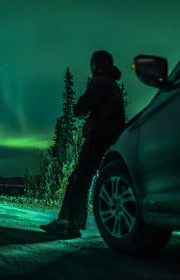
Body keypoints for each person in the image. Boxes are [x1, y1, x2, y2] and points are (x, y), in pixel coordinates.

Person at [40, 50, 125, 238]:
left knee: (78, 179)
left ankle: (66, 223)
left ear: (96, 64)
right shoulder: (112, 85)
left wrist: (85, 113)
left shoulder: (100, 82)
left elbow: (80, 107)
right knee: (83, 178)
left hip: (98, 138)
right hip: (112, 139)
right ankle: (73, 223)